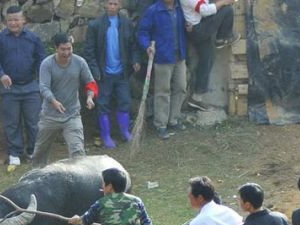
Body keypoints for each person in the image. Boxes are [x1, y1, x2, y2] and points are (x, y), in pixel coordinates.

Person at [0, 5, 45, 172]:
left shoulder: (33, 38)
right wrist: (1, 74)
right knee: (12, 123)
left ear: (23, 20)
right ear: (6, 21)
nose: (13, 23)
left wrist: (40, 76)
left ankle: (33, 152)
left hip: (31, 86)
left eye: (16, 19)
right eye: (10, 20)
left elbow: (41, 57)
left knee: (33, 123)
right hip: (9, 88)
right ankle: (15, 153)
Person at [32, 33, 97, 168]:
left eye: (69, 49)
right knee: (39, 153)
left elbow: (90, 82)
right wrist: (53, 101)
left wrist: (90, 97)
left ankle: (81, 178)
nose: (67, 53)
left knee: (78, 152)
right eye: (63, 49)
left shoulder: (80, 62)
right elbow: (43, 87)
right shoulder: (47, 64)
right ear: (56, 48)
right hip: (49, 116)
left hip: (72, 115)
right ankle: (36, 176)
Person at [84, 0, 141, 149]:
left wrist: (135, 61)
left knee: (125, 101)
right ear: (105, 5)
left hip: (122, 73)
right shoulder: (95, 25)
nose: (112, 6)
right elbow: (89, 52)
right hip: (103, 74)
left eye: (115, 4)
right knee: (103, 105)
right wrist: (96, 71)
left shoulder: (126, 23)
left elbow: (133, 45)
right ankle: (106, 135)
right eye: (110, 3)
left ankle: (124, 131)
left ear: (120, 5)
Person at [137, 0, 188, 140]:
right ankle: (161, 124)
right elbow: (142, 32)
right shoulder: (154, 10)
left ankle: (174, 120)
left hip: (180, 55)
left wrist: (189, 27)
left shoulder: (180, 8)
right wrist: (147, 46)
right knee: (162, 91)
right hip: (162, 56)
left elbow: (188, 24)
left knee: (181, 87)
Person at [181, 0, 238, 111]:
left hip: (197, 25)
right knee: (227, 10)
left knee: (207, 58)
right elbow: (204, 10)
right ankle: (222, 38)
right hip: (198, 29)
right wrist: (223, 2)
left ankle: (196, 98)